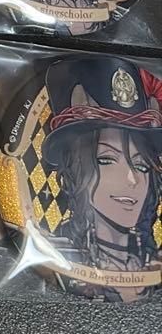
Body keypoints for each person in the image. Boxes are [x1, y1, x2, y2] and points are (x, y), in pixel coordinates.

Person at [40, 55, 162, 301]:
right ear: (75, 169)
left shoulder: (154, 261)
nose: (132, 179)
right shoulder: (54, 252)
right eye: (106, 160)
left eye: (141, 165)